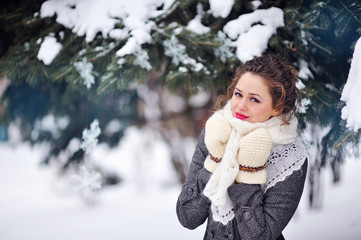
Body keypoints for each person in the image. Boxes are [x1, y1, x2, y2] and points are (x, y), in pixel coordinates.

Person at [176, 55, 308, 240]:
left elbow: (262, 236)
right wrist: (215, 160)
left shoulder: (290, 158)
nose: (241, 106)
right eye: (238, 94)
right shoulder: (218, 131)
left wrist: (249, 172)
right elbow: (187, 218)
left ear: (277, 107)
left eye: (254, 99)